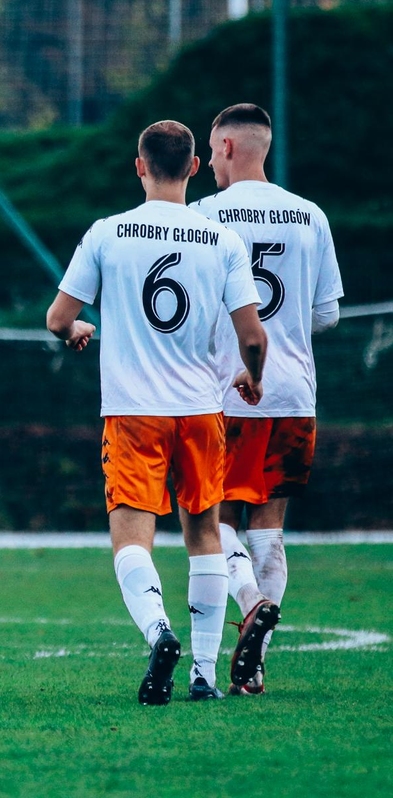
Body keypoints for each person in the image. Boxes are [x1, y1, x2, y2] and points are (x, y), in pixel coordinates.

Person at [45, 120, 268, 705]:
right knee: (206, 536)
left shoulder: (107, 233)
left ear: (139, 166)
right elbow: (253, 337)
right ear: (194, 167)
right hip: (200, 410)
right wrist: (253, 375)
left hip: (133, 411)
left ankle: (158, 630)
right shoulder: (222, 240)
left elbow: (57, 318)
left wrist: (76, 329)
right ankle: (204, 674)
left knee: (131, 540)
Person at [190, 103, 344, 695]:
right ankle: (253, 667)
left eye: (212, 152)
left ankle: (251, 600)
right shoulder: (310, 215)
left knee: (213, 519)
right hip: (293, 392)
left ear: (227, 147)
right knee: (270, 528)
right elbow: (326, 315)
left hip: (226, 390)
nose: (210, 166)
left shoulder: (203, 216)